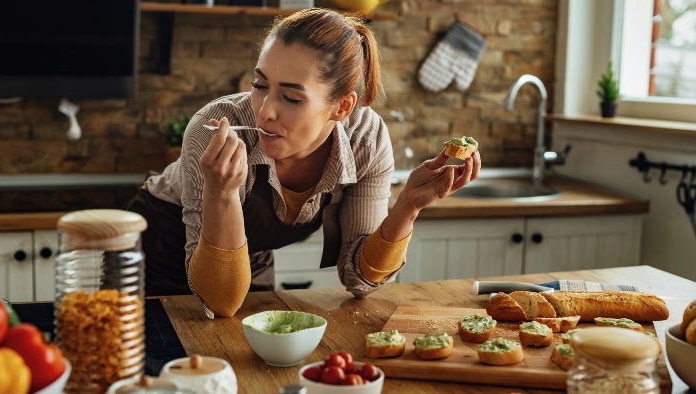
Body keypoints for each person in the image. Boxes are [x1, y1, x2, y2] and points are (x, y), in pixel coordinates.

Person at [124, 8, 481, 318]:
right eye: (260, 84)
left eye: (291, 97)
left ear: (342, 107)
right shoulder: (217, 126)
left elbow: (360, 280)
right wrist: (221, 193)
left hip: (248, 255)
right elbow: (217, 301)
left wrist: (406, 208)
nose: (265, 112)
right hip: (161, 249)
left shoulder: (365, 140)